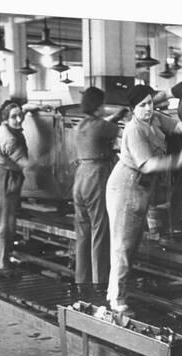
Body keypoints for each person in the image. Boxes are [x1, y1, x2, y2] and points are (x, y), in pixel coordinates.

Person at [106, 85, 182, 315]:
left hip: (141, 186)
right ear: (132, 109)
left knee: (130, 245)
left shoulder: (154, 118)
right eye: (142, 105)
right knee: (123, 245)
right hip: (126, 186)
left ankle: (115, 291)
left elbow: (176, 125)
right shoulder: (134, 130)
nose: (148, 108)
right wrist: (178, 160)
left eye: (150, 102)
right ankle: (117, 300)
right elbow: (148, 164)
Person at [73, 87, 128, 295]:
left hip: (80, 177)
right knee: (100, 227)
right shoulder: (101, 126)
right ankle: (100, 280)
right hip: (96, 176)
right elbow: (117, 129)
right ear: (98, 106)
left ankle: (82, 279)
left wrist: (116, 116)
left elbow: (104, 124)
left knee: (83, 230)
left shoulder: (81, 125)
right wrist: (123, 115)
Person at [0, 103, 28, 278]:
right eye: (14, 117)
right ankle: (0, 264)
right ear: (5, 119)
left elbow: (24, 109)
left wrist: (34, 108)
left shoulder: (5, 129)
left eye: (20, 115)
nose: (18, 120)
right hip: (1, 179)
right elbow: (26, 164)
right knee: (3, 223)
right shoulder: (9, 138)